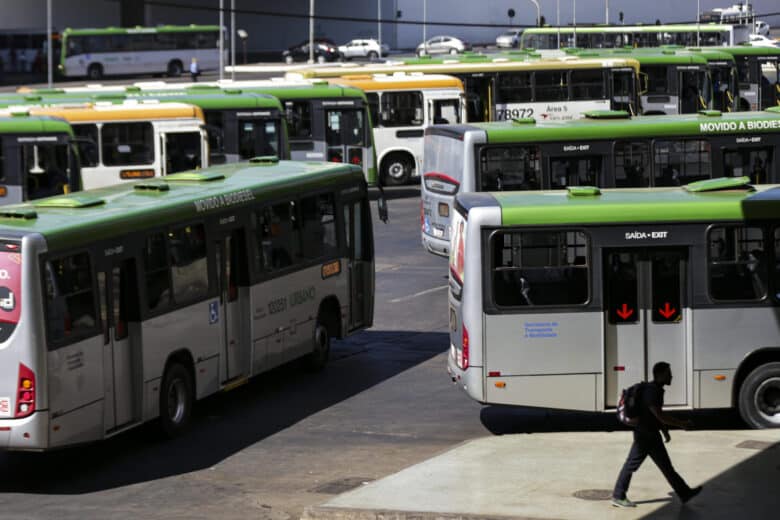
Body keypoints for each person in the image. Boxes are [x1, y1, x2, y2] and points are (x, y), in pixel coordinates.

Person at [612, 362, 702, 508]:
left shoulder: (656, 389)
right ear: (660, 375)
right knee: (631, 465)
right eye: (668, 373)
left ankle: (684, 493)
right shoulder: (652, 391)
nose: (671, 376)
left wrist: (664, 430)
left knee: (666, 467)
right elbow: (659, 415)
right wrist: (682, 424)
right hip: (645, 436)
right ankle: (618, 495)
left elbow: (654, 416)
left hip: (650, 434)